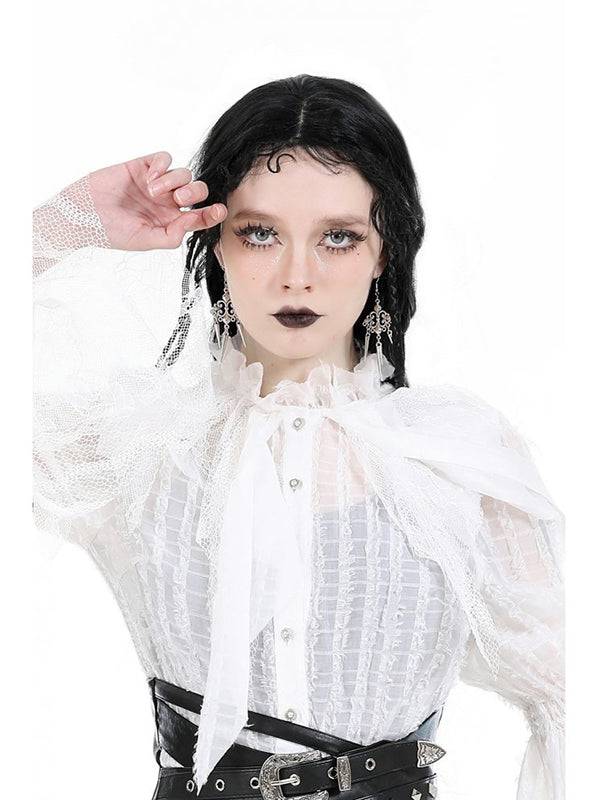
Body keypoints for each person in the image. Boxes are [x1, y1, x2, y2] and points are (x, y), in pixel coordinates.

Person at [32, 74, 565, 800]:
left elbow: (570, 695)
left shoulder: (455, 458)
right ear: (215, 242)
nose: (297, 276)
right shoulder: (140, 448)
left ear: (384, 251)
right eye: (260, 233)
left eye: (337, 238)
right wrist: (63, 224)